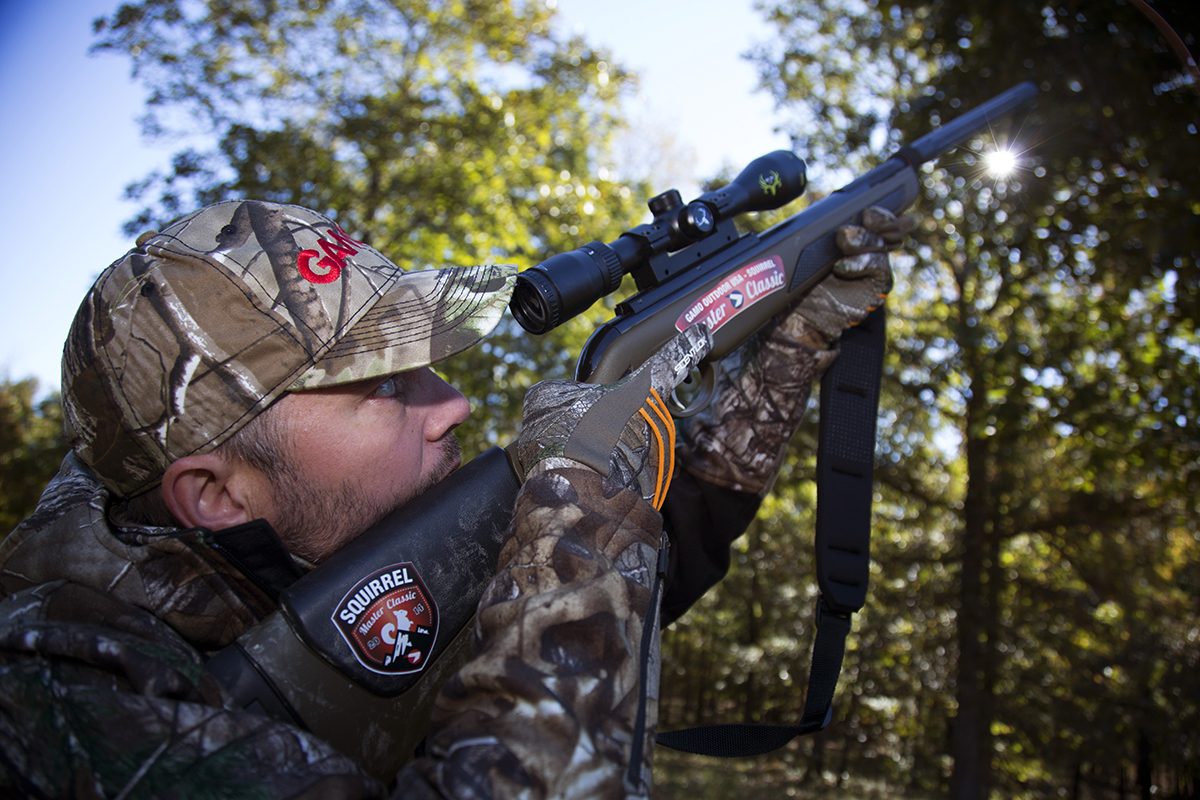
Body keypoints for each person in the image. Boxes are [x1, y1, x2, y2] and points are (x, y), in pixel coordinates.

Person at [0, 199, 910, 798]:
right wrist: (578, 507)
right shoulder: (57, 710)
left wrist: (793, 349)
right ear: (216, 495)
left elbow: (661, 563)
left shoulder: (333, 551)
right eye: (386, 388)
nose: (456, 404)